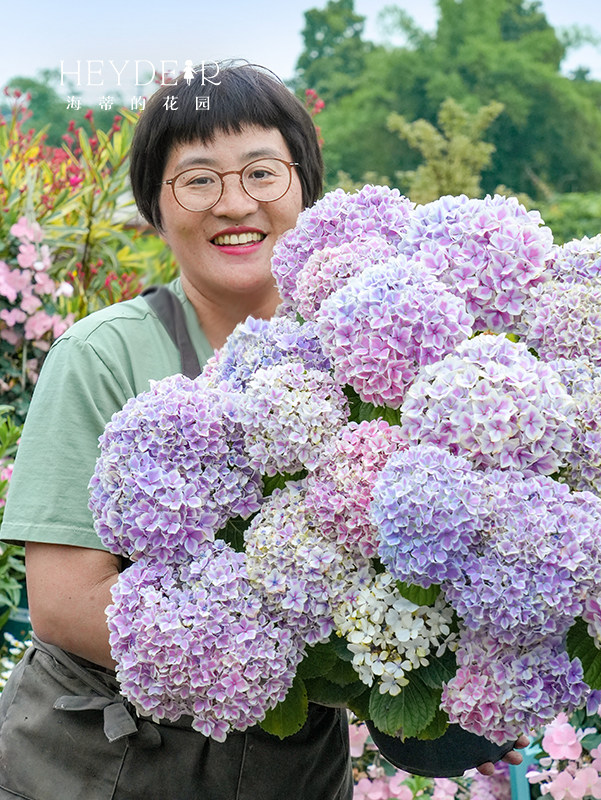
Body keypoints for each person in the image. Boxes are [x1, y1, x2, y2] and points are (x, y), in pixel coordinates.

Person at [0, 61, 524, 800]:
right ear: (154, 204)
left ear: (304, 188)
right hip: (101, 767)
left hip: (291, 773)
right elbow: (63, 603)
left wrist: (456, 665)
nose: (234, 203)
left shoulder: (377, 355)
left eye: (261, 173)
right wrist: (283, 652)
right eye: (198, 180)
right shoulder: (102, 356)